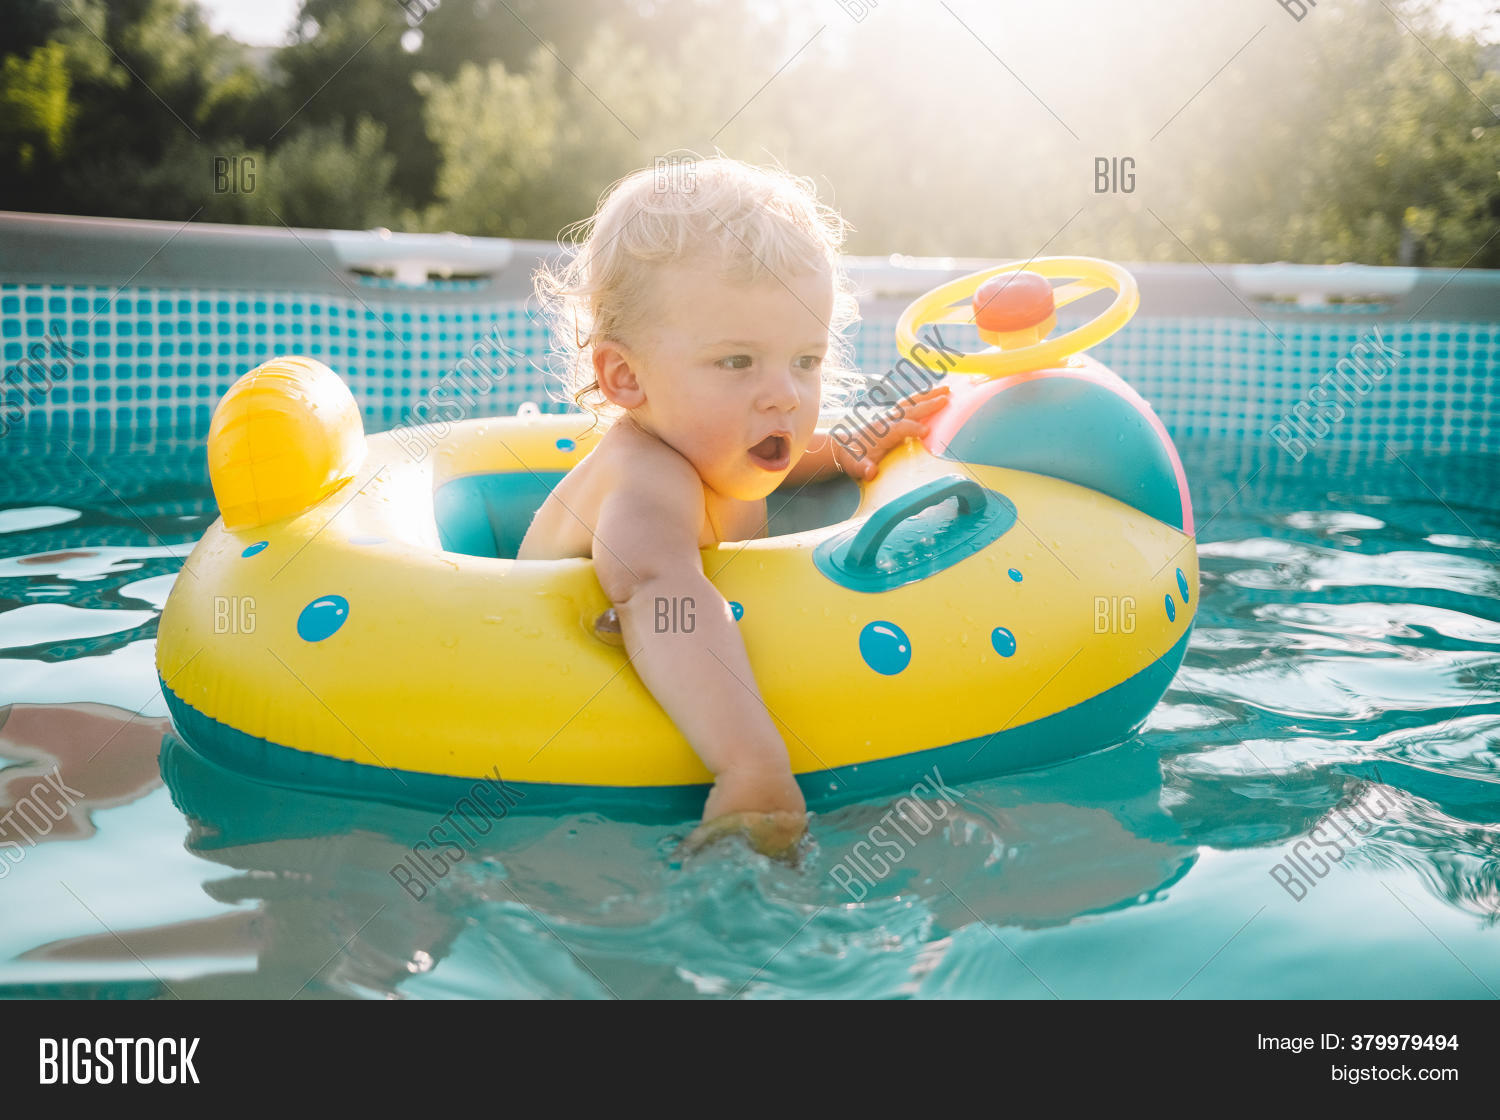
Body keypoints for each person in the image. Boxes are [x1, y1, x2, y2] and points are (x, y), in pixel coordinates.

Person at [517, 155, 950, 858]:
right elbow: (660, 589)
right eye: (738, 363)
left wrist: (841, 449)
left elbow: (767, 467)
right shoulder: (645, 483)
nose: (784, 395)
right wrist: (751, 766)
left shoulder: (716, 443)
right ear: (625, 376)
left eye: (805, 361)